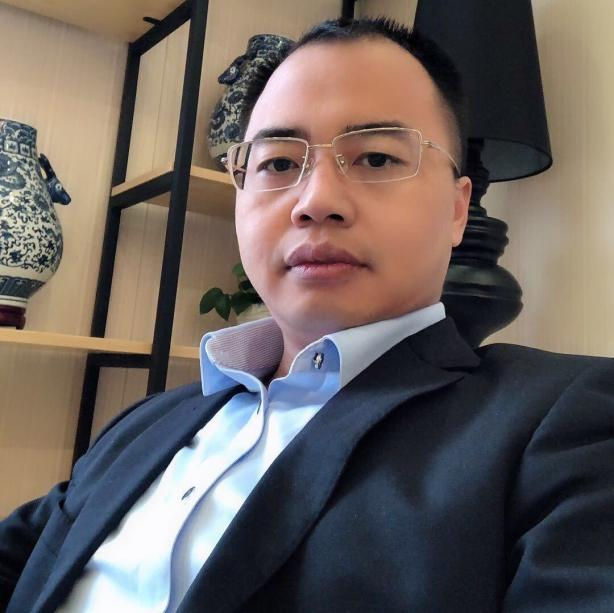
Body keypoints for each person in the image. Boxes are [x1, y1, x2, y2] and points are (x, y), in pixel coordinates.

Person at [2, 16, 613, 613]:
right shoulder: (144, 424)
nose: (315, 202)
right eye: (278, 163)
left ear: (458, 210)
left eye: (377, 158)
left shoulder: (562, 424)